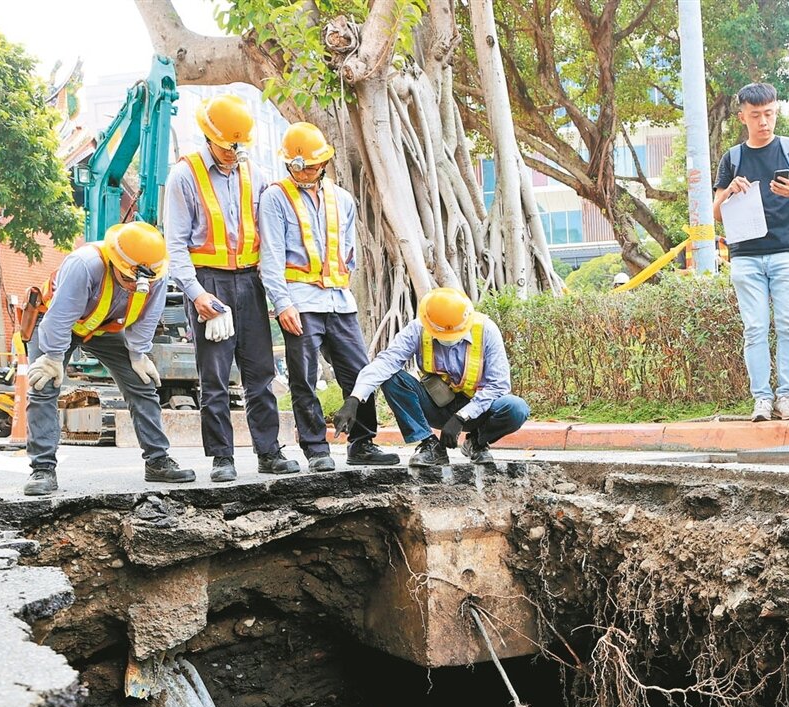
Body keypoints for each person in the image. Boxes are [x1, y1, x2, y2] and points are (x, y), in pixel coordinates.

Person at [259, 121, 427, 471]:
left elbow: (348, 251)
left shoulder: (342, 199)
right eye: (296, 165)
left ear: (321, 163)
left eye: (309, 165)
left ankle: (362, 442)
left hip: (339, 301)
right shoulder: (276, 197)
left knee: (359, 371)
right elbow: (271, 256)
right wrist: (282, 303)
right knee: (303, 376)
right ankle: (316, 449)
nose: (304, 171)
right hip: (300, 301)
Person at [164, 93, 299, 483]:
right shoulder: (184, 175)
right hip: (209, 283)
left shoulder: (252, 173)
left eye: (239, 147)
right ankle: (222, 457)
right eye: (227, 146)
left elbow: (269, 236)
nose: (233, 153)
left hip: (249, 282)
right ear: (209, 137)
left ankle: (269, 451)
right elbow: (175, 244)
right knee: (216, 377)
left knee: (260, 373)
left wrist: (275, 292)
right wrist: (196, 294)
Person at [22, 222, 195, 496]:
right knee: (43, 385)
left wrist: (138, 354)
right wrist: (53, 357)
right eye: (128, 280)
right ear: (115, 262)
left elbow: (148, 318)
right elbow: (59, 316)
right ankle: (42, 470)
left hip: (101, 328)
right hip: (56, 323)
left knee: (142, 384)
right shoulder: (85, 264)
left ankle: (158, 460)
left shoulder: (157, 273)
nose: (135, 287)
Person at [712, 82, 789, 422]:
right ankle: (762, 398)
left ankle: (787, 397)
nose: (764, 122)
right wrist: (730, 190)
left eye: (769, 114)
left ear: (776, 111)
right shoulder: (733, 157)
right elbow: (715, 212)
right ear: (742, 115)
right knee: (755, 328)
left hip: (787, 251)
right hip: (745, 255)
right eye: (756, 115)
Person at [337, 287, 529, 468]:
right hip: (436, 406)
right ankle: (430, 445)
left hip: (477, 411)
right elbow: (386, 362)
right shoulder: (418, 328)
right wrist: (355, 398)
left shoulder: (486, 330)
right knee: (391, 377)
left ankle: (477, 442)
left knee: (516, 408)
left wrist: (462, 417)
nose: (449, 336)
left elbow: (498, 386)